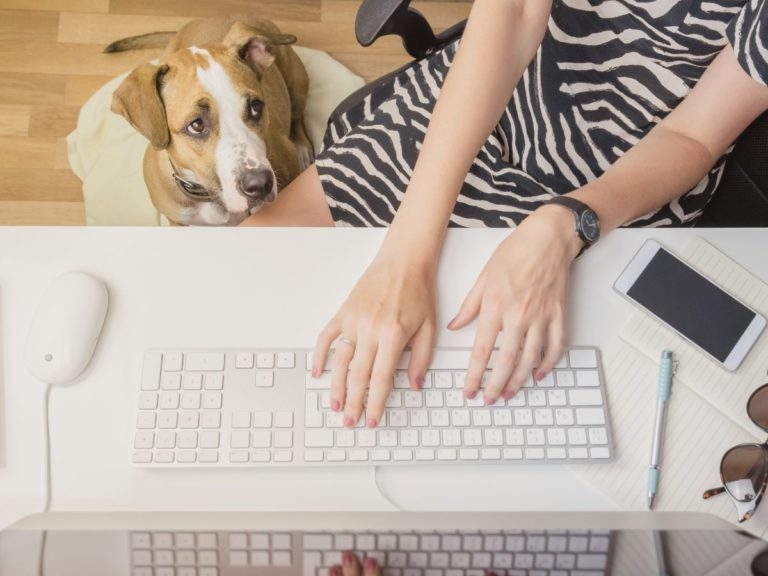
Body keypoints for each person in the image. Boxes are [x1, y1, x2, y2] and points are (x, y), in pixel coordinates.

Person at [242, 0, 768, 429]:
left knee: (483, 404)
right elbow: (513, 12)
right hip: (483, 96)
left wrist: (566, 224)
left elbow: (694, 134)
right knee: (244, 265)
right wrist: (405, 255)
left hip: (623, 182)